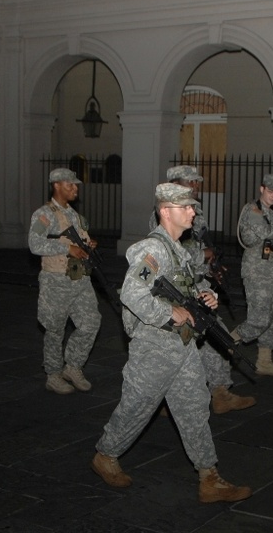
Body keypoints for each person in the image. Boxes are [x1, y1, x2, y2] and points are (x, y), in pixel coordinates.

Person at [92, 183, 251, 504]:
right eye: (186, 207)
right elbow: (132, 293)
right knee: (138, 406)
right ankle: (105, 455)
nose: (194, 212)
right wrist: (171, 312)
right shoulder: (153, 250)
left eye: (193, 206)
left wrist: (205, 297)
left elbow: (181, 290)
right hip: (154, 346)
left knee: (194, 406)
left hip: (182, 345)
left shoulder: (179, 250)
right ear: (166, 211)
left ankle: (209, 477)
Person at [150, 165, 255, 414]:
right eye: (191, 183)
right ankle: (163, 398)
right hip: (176, 286)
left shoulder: (197, 211)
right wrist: (202, 256)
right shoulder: (165, 213)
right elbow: (171, 251)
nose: (197, 187)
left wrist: (211, 267)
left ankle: (219, 392)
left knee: (213, 334)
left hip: (196, 282)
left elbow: (198, 246)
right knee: (179, 343)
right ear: (177, 183)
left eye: (197, 183)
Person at [28, 168, 102, 395]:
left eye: (76, 185)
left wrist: (88, 245)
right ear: (57, 185)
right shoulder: (44, 214)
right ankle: (53, 374)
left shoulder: (75, 215)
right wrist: (65, 247)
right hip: (56, 280)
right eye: (70, 185)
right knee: (54, 329)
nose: (75, 189)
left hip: (80, 279)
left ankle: (73, 366)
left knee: (91, 322)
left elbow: (81, 239)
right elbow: (34, 243)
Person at [234, 174, 273, 377]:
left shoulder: (268, 213)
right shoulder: (253, 209)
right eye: (270, 192)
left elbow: (270, 244)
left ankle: (264, 360)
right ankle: (224, 343)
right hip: (255, 271)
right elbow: (264, 233)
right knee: (259, 319)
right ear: (262, 189)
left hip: (270, 270)